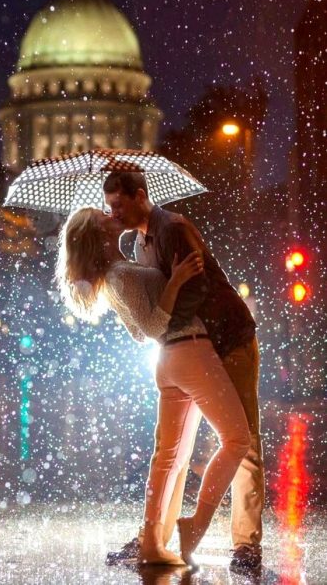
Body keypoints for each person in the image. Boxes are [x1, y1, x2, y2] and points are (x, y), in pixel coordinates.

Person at [56, 207, 251, 566]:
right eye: (102, 215)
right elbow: (149, 327)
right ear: (98, 234)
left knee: (169, 458)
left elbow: (136, 330)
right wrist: (175, 281)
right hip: (189, 350)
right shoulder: (120, 275)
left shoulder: (118, 271)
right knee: (238, 439)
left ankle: (151, 542)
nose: (109, 211)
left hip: (171, 361)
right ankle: (195, 524)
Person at [102, 171, 264, 573]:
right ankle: (154, 536)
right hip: (191, 348)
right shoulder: (138, 244)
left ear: (141, 196)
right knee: (173, 449)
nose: (114, 212)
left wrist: (165, 327)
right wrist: (164, 330)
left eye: (119, 204)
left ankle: (246, 544)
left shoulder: (173, 227)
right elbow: (158, 297)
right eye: (109, 207)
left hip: (228, 339)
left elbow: (197, 288)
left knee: (243, 439)